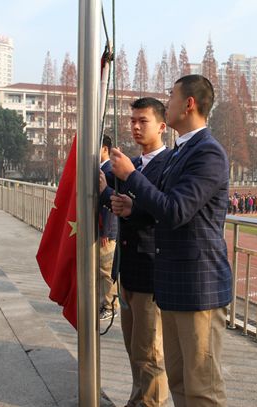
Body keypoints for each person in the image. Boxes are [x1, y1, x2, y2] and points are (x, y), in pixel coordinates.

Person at [110, 75, 232, 406]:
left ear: (189, 104)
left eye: (172, 97)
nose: (168, 103)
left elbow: (177, 210)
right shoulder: (182, 151)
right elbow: (161, 207)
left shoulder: (208, 153)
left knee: (202, 385)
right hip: (174, 284)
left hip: (198, 286)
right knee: (178, 380)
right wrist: (134, 205)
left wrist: (130, 176)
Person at [99, 98, 170, 406]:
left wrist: (129, 205)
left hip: (151, 271)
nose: (136, 126)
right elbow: (125, 207)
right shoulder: (134, 164)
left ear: (162, 127)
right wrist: (108, 194)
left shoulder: (169, 164)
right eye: (133, 121)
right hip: (127, 270)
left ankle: (151, 402)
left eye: (144, 121)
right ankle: (137, 399)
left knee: (150, 352)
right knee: (133, 348)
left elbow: (164, 213)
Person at [98, 136, 119, 320]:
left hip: (108, 232)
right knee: (99, 268)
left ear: (104, 149)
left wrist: (105, 231)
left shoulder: (109, 170)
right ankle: (102, 302)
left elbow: (110, 202)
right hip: (101, 229)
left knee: (106, 270)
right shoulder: (101, 169)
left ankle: (110, 306)